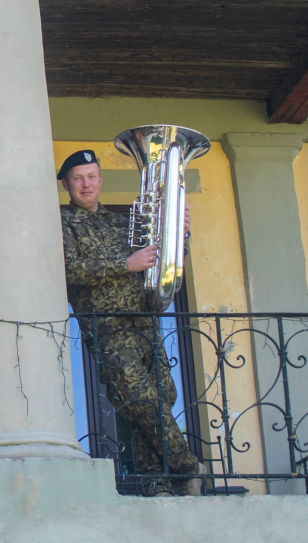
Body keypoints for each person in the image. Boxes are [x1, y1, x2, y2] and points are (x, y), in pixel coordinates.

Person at [58, 149, 200, 496]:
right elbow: (68, 271)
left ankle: (157, 482)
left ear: (101, 180)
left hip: (146, 321)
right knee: (137, 396)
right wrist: (126, 263)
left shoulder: (123, 222)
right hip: (108, 326)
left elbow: (164, 266)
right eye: (78, 178)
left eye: (91, 176)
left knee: (162, 397)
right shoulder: (61, 223)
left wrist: (177, 235)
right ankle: (189, 465)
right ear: (67, 185)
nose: (85, 184)